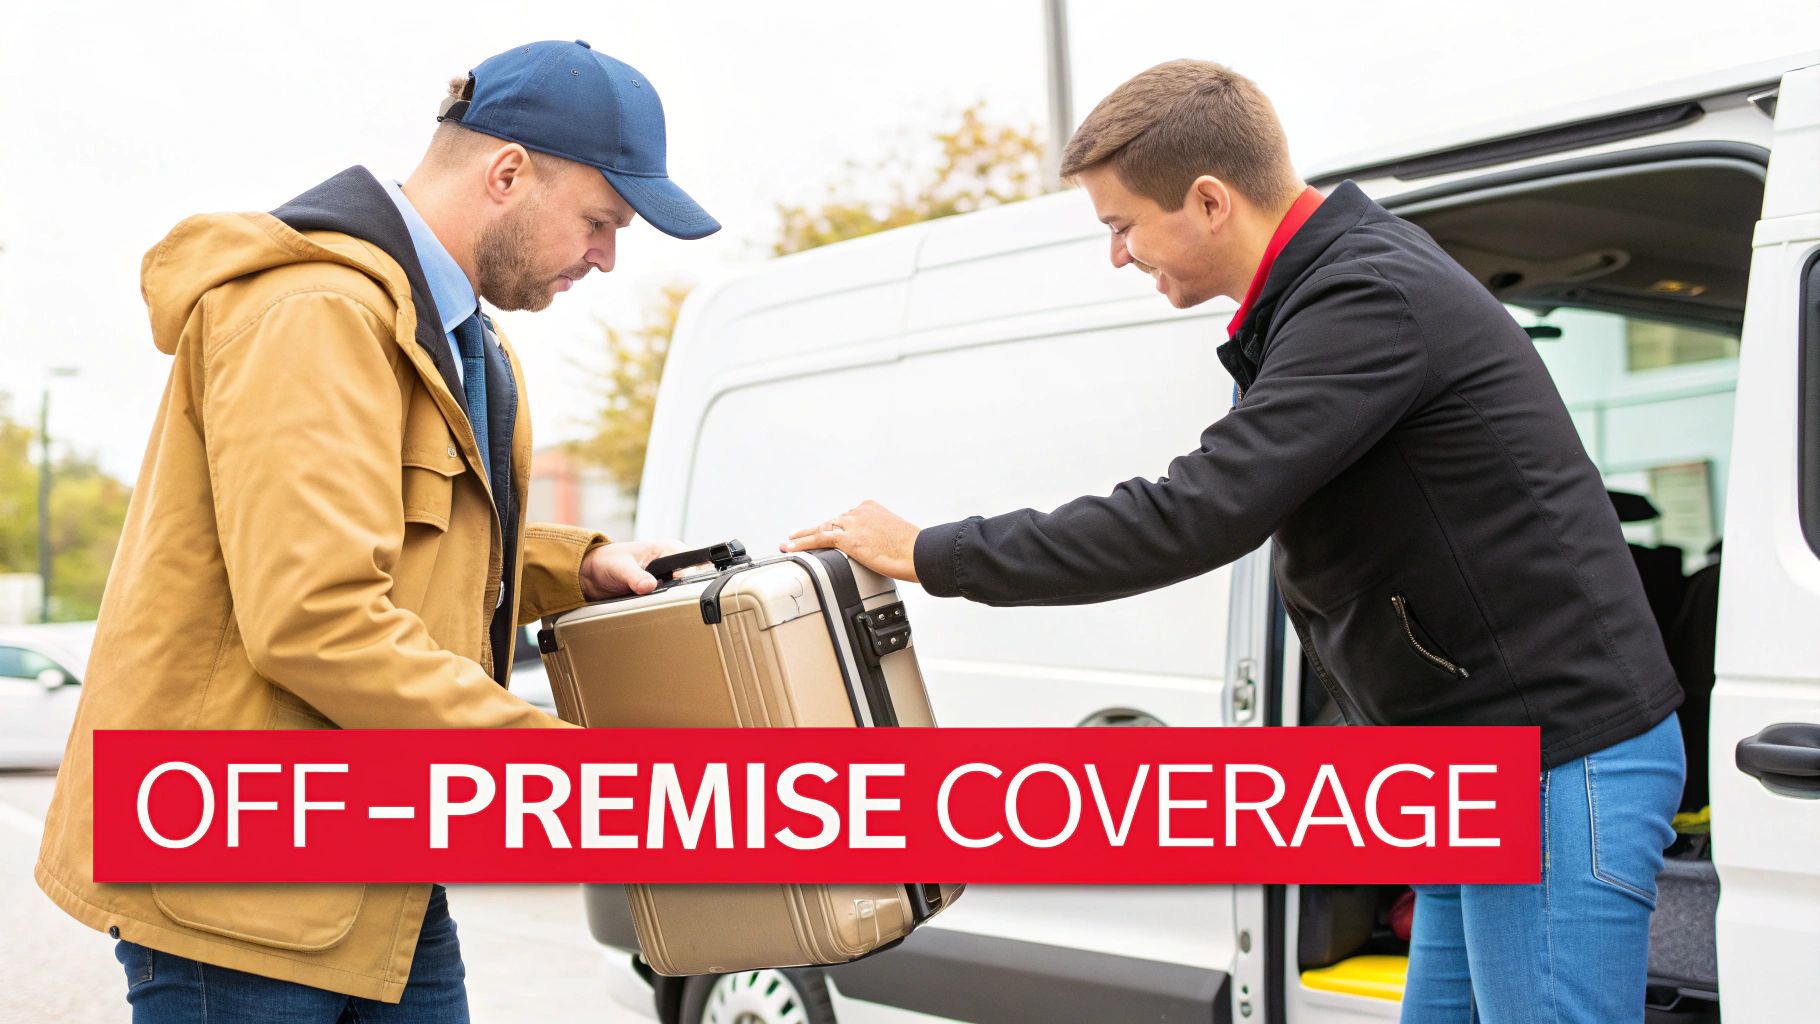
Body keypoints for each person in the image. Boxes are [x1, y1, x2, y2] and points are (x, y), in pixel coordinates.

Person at [786, 60, 1684, 1023]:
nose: (1118, 256)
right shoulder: (1319, 298)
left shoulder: (1366, 296)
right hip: (1473, 766)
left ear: (1210, 201)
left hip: (1551, 761)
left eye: (1123, 225)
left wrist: (934, 552)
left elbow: (1194, 513)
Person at [35, 40, 716, 1022]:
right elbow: (316, 616)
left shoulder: (461, 338)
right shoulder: (315, 311)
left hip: (369, 851)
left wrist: (581, 563)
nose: (606, 257)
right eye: (600, 220)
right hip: (240, 883)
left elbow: (404, 538)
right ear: (508, 173)